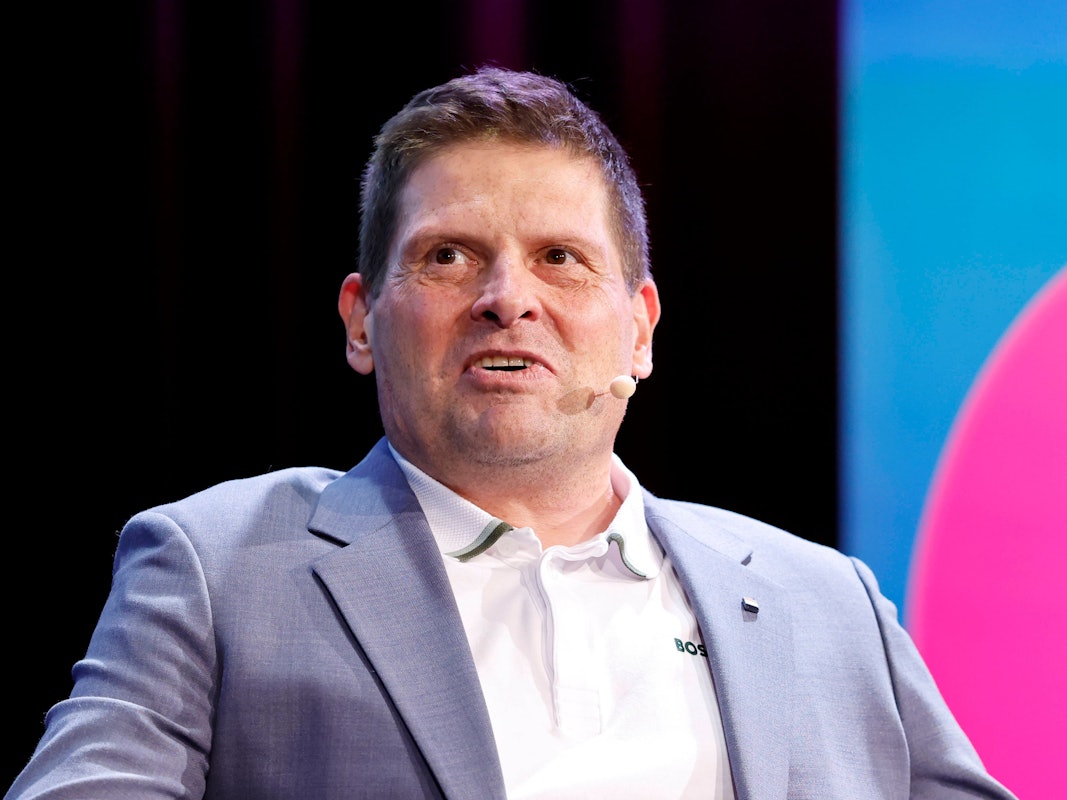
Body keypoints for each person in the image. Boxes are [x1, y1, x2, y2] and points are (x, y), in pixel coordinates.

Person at [7, 66, 1016, 800]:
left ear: (639, 327)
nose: (505, 300)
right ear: (360, 318)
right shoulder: (217, 567)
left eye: (561, 258)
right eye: (448, 254)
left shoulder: (822, 598)